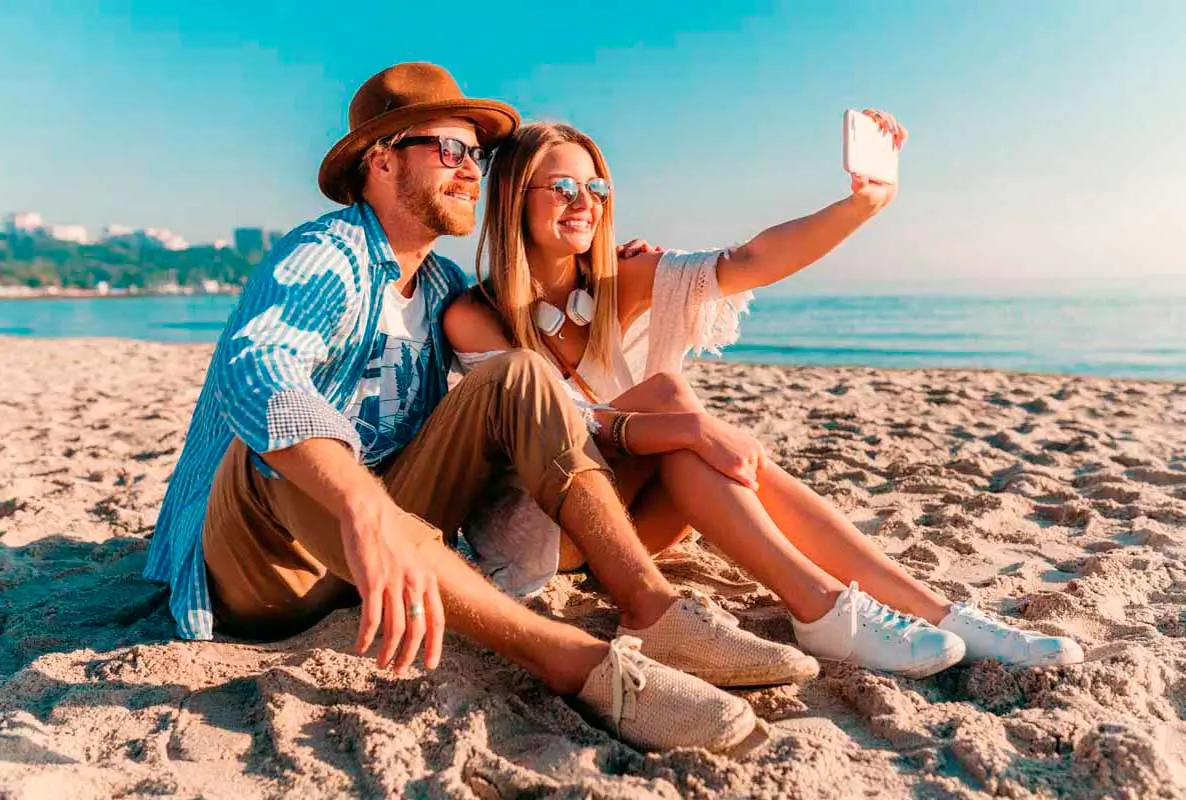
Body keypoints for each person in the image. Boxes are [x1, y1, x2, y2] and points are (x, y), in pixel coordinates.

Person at [142, 63, 831, 755]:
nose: (472, 170)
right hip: (266, 569)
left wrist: (605, 264)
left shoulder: (444, 289)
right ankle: (574, 662)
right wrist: (362, 504)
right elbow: (256, 367)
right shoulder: (326, 254)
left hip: (384, 554)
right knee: (279, 448)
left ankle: (651, 609)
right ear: (382, 160)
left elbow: (532, 369)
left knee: (522, 374)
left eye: (476, 154)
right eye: (450, 149)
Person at [444, 120, 1085, 678]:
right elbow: (557, 428)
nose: (583, 201)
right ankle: (824, 608)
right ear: (511, 199)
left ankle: (928, 608)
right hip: (547, 529)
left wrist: (862, 205)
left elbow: (748, 259)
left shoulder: (618, 278)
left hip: (633, 521)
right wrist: (689, 430)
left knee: (674, 410)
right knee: (673, 408)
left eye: (595, 187)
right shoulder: (476, 314)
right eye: (561, 188)